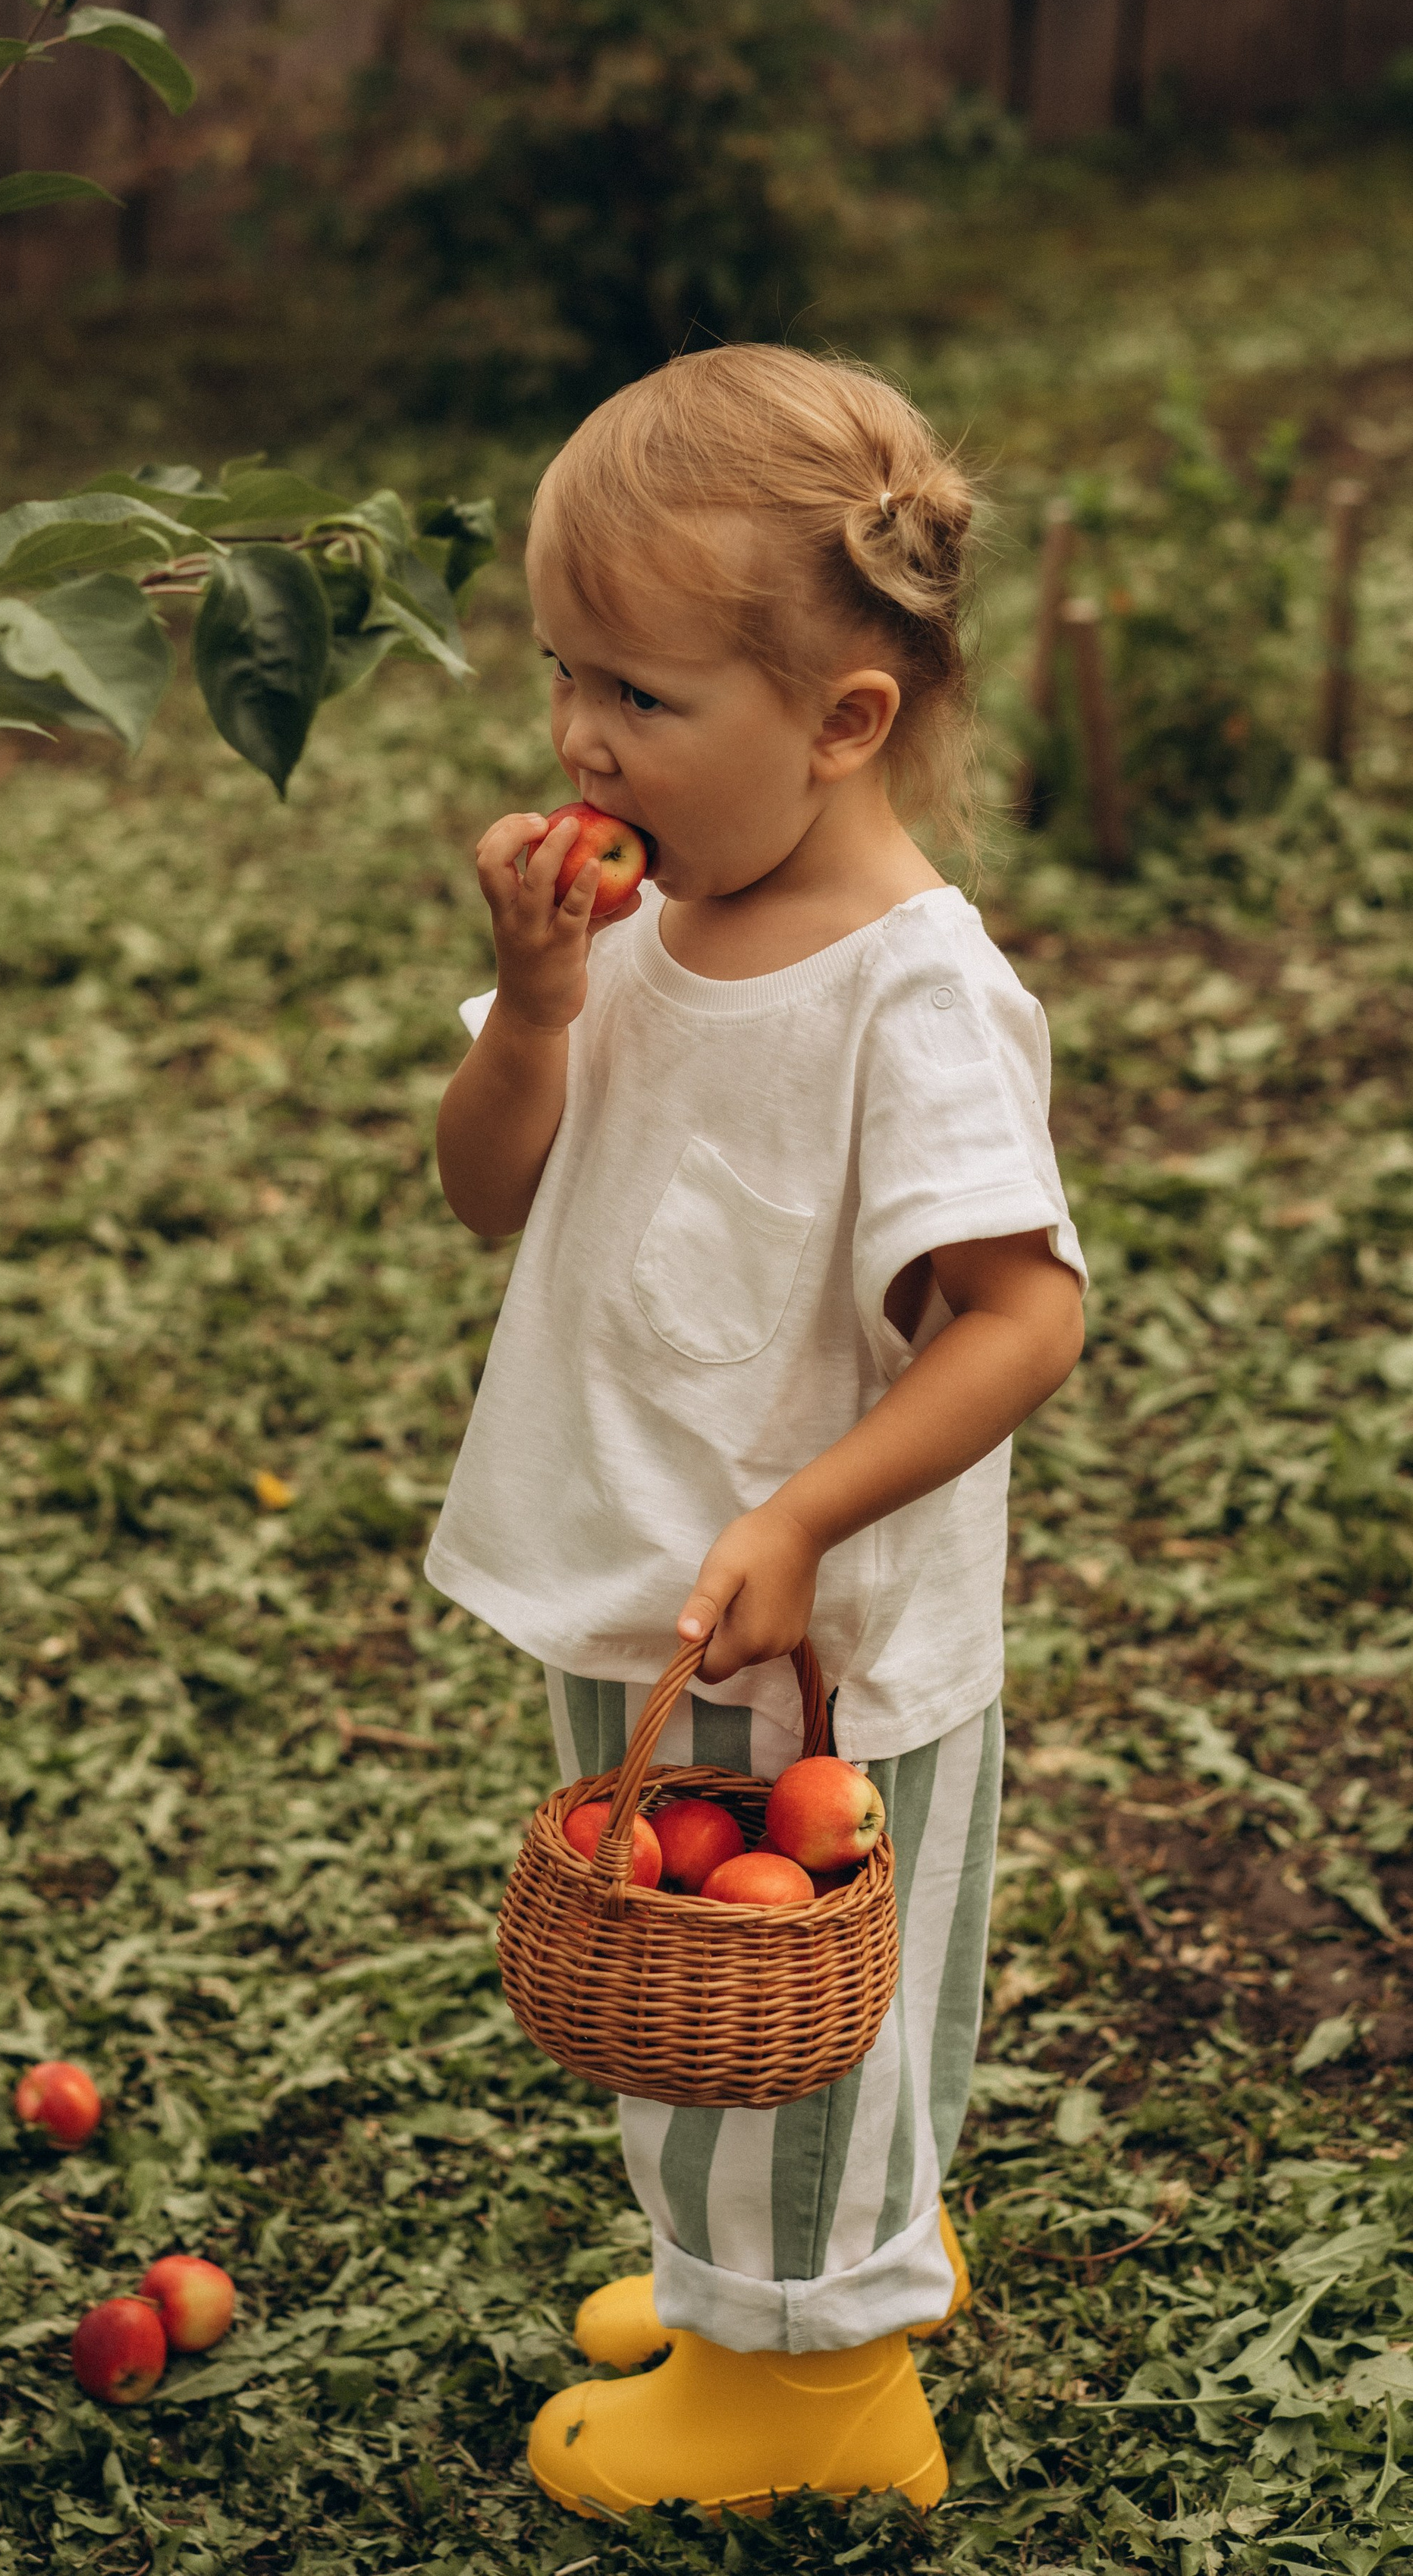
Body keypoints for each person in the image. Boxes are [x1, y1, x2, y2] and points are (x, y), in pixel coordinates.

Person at [425, 344, 1086, 2521]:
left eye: (638, 694)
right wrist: (532, 1007)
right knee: (704, 1991)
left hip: (797, 1619)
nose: (577, 743)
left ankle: (814, 2386)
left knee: (793, 1996)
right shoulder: (637, 929)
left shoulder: (908, 988)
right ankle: (764, 2286)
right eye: (563, 674)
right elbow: (490, 1189)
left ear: (843, 721)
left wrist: (805, 1514)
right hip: (646, 1568)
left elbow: (1022, 1315)